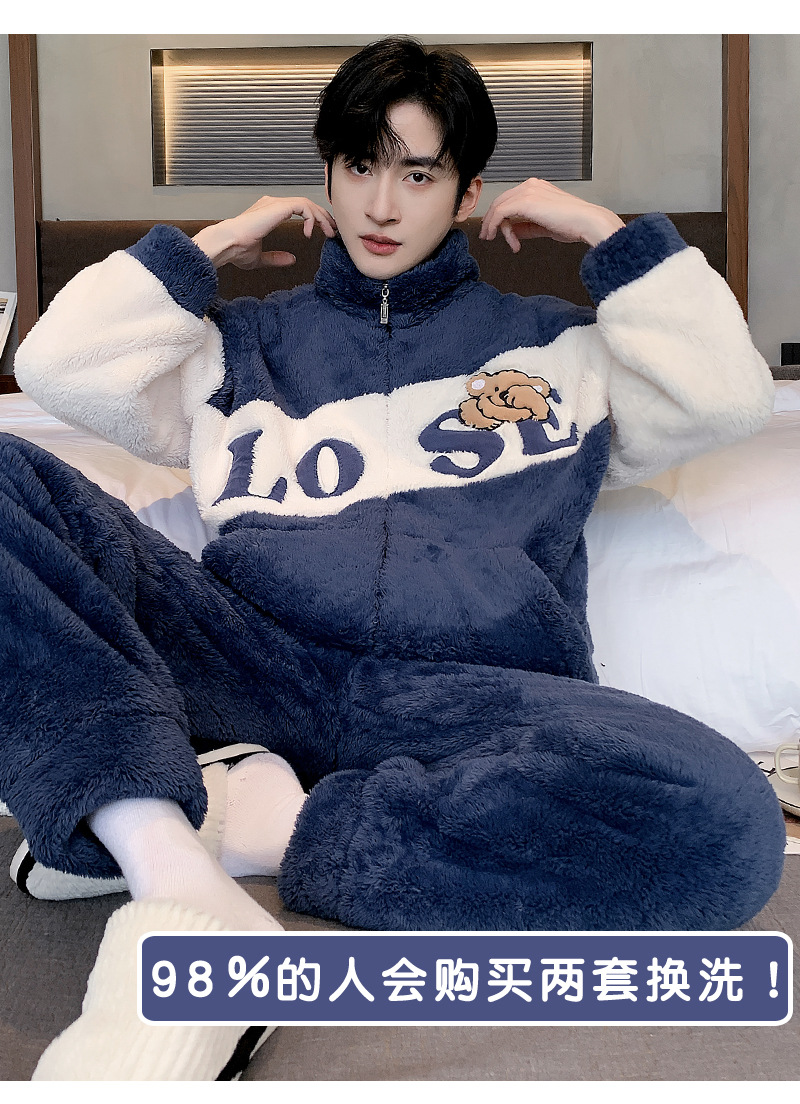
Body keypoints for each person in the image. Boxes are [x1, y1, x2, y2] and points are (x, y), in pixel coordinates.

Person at [3, 37, 785, 1081]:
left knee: (723, 823)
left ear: (466, 195)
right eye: (360, 165)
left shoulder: (565, 351)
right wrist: (213, 247)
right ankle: (165, 861)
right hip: (250, 657)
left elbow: (730, 395)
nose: (381, 204)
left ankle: (252, 819)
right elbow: (58, 365)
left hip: (475, 696)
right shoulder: (237, 345)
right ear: (326, 174)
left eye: (418, 175)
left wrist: (604, 235)